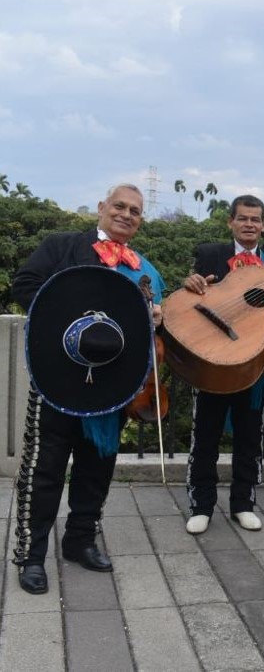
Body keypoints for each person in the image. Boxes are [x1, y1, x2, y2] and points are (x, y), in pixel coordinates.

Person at [11, 183, 165, 594]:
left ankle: (79, 541)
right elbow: (25, 286)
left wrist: (156, 317)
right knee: (45, 471)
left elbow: (146, 331)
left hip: (112, 386)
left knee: (96, 470)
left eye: (135, 210)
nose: (126, 214)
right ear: (101, 207)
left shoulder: (145, 271)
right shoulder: (62, 246)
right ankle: (31, 555)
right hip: (59, 380)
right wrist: (72, 312)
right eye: (119, 205)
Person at [181, 195, 264, 534]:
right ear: (230, 221)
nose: (249, 224)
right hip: (214, 359)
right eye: (242, 218)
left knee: (250, 438)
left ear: (263, 225)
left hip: (255, 363)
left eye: (255, 219)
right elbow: (192, 300)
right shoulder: (210, 254)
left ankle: (243, 504)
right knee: (206, 436)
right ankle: (201, 505)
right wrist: (190, 284)